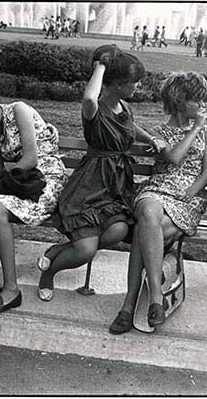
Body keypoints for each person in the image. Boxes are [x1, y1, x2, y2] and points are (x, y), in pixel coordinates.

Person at [37, 45, 166, 302]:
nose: (137, 86)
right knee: (85, 251)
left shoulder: (123, 107)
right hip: (90, 185)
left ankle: (58, 250)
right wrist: (102, 66)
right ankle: (49, 273)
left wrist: (150, 137)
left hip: (115, 185)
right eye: (134, 82)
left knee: (117, 232)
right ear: (117, 84)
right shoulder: (93, 110)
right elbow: (88, 99)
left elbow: (131, 125)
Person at [109, 72, 207, 334]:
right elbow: (175, 158)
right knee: (147, 208)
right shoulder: (158, 132)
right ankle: (156, 297)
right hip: (158, 189)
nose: (202, 107)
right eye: (197, 101)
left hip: (186, 198)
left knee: (142, 232)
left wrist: (192, 191)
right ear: (180, 102)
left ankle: (128, 304)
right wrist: (195, 129)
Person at [0, 97, 68, 314]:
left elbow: (30, 159)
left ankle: (11, 290)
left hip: (45, 179)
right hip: (21, 181)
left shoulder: (18, 110)